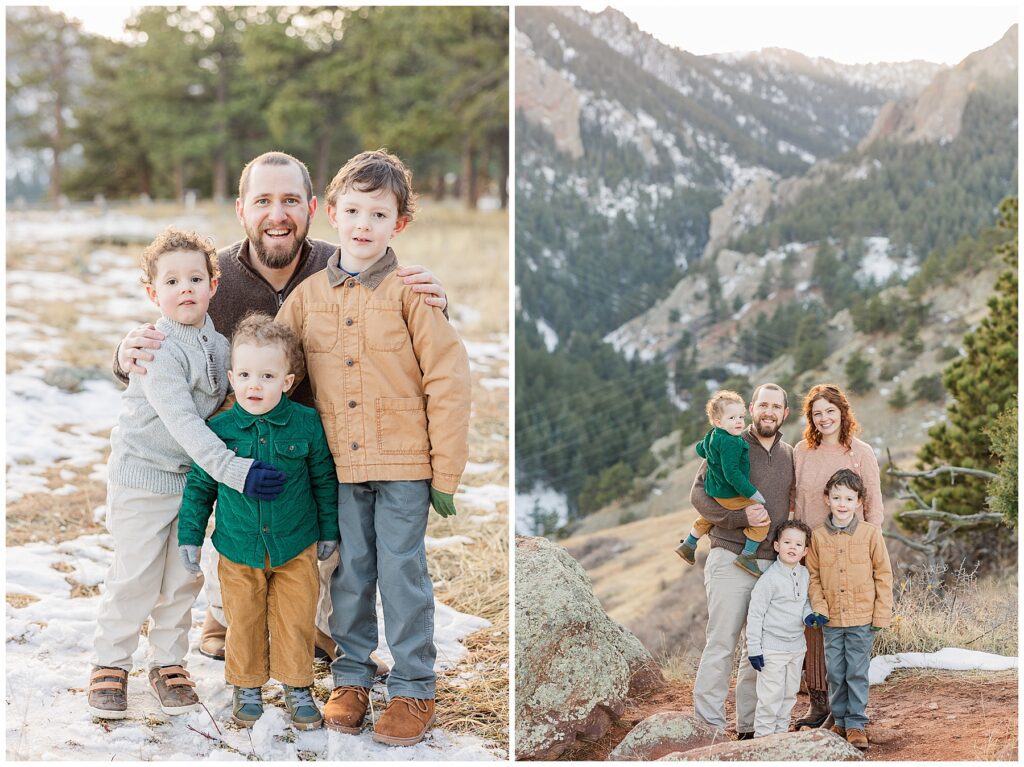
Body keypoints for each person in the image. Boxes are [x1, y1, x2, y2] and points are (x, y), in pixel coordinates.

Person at [111, 150, 448, 663]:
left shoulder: (342, 264)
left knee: (333, 556)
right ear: (241, 210)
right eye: (263, 201)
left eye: (290, 200)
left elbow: (402, 331)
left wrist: (437, 303)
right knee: (234, 535)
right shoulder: (210, 275)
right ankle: (224, 615)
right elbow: (167, 340)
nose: (277, 214)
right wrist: (122, 355)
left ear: (314, 208)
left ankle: (317, 626)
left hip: (322, 442)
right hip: (237, 446)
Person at [275, 148, 471, 746]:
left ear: (399, 224)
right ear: (331, 212)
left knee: (402, 573)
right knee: (352, 575)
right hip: (339, 466)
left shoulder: (414, 293)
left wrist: (446, 474)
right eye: (353, 210)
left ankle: (414, 687)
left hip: (406, 466)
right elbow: (274, 370)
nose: (364, 225)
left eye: (379, 214)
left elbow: (448, 377)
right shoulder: (306, 299)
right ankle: (352, 677)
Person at [87, 229, 287, 720]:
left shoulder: (220, 346)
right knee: (136, 573)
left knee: (182, 575)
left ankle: (168, 663)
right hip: (144, 479)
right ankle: (110, 663)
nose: (185, 288)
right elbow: (185, 424)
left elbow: (225, 407)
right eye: (172, 280)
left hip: (190, 485)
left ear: (213, 284)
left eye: (196, 277)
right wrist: (236, 472)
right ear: (153, 293)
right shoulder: (156, 349)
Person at [177, 314, 339, 730]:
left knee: (295, 618)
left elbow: (323, 478)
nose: (254, 385)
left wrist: (328, 530)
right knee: (244, 619)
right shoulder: (221, 428)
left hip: (294, 546)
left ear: (287, 381)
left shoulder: (305, 424)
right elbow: (200, 486)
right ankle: (246, 685)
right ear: (231, 376)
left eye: (267, 375)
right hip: (238, 548)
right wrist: (191, 535)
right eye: (245, 374)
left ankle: (297, 685)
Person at [689, 383, 795, 737]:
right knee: (722, 641)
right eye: (762, 404)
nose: (768, 411)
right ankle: (708, 729)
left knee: (757, 650)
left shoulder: (789, 455)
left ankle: (749, 728)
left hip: (771, 565)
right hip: (730, 556)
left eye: (775, 406)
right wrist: (740, 519)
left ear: (785, 413)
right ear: (752, 408)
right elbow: (699, 495)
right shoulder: (727, 440)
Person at [792, 383, 884, 730]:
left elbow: (873, 506)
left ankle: (847, 709)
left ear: (843, 413)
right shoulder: (802, 451)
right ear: (811, 419)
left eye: (831, 410)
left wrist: (869, 549)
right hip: (808, 551)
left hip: (849, 554)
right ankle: (820, 704)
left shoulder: (860, 452)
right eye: (817, 413)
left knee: (845, 629)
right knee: (814, 628)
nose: (824, 418)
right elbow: (793, 500)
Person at [805, 469, 893, 751]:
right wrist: (819, 609)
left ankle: (855, 722)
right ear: (827, 499)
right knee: (836, 671)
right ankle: (839, 720)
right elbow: (814, 577)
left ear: (858, 502)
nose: (842, 503)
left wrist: (881, 614)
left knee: (856, 670)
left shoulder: (870, 534)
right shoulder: (818, 537)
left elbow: (883, 574)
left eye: (848, 498)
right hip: (831, 619)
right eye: (836, 497)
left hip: (862, 618)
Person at [676, 390, 769, 577]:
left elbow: (700, 449)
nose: (739, 422)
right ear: (718, 422)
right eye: (732, 417)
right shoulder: (732, 442)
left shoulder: (713, 435)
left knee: (709, 516)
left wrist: (711, 451)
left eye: (741, 417)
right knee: (762, 519)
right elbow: (732, 474)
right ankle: (748, 555)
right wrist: (752, 494)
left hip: (715, 490)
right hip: (729, 492)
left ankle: (689, 543)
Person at [745, 520, 815, 738]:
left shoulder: (805, 575)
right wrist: (754, 649)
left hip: (796, 647)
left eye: (798, 544)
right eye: (787, 542)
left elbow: (804, 602)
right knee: (770, 697)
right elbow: (755, 615)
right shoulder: (769, 579)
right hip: (772, 649)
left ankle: (780, 738)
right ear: (776, 546)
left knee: (788, 695)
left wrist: (809, 615)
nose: (792, 547)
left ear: (805, 551)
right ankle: (764, 741)